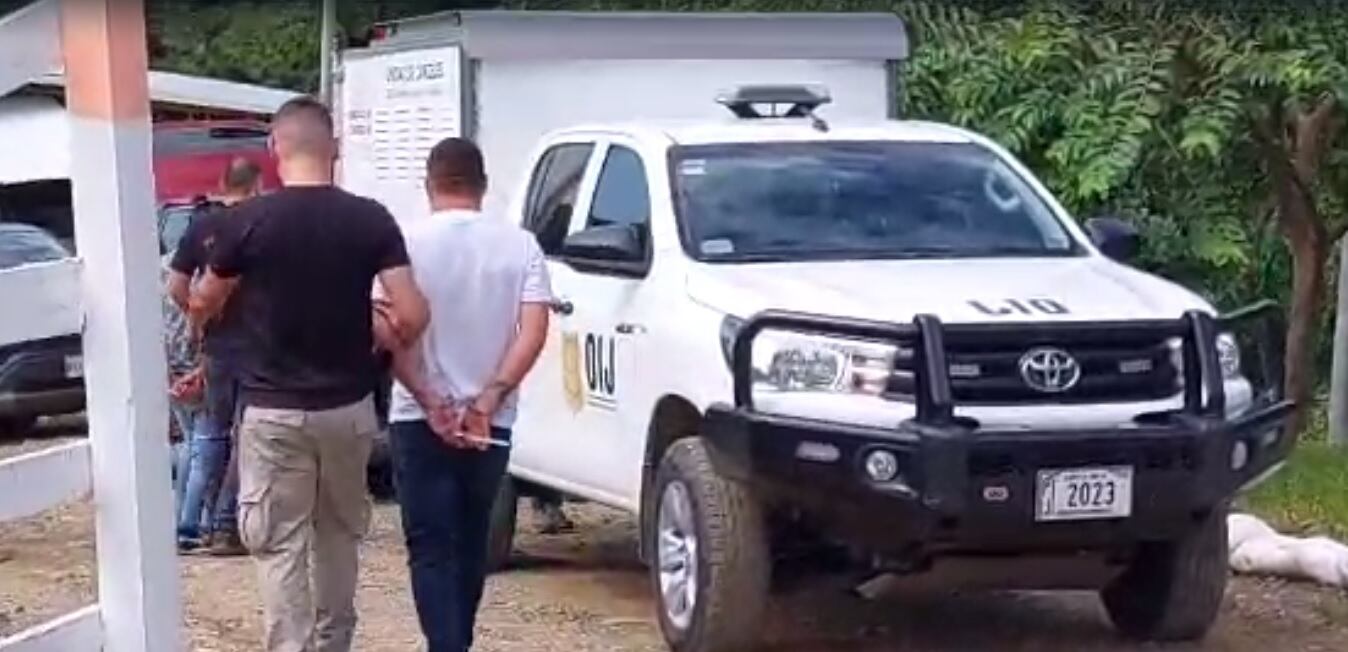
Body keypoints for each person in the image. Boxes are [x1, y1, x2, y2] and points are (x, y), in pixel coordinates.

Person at [189, 96, 429, 652]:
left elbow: (203, 300)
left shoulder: (244, 223)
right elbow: (412, 312)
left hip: (271, 411)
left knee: (279, 545)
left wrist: (209, 305)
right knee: (339, 537)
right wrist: (381, 327)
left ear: (275, 149)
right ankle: (334, 643)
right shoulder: (371, 219)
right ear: (335, 149)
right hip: (348, 410)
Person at [383, 137, 551, 652]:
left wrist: (430, 397)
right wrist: (489, 397)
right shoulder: (521, 245)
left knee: (430, 547)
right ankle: (458, 642)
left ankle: (447, 646)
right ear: (483, 185)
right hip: (490, 422)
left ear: (430, 184)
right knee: (471, 541)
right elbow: (534, 329)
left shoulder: (402, 243)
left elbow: (387, 329)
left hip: (418, 415)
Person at [169, 157, 263, 556]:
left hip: (217, 345)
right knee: (247, 437)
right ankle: (227, 524)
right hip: (258, 343)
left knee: (208, 434)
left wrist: (197, 314)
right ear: (256, 186)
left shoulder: (200, 226)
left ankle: (190, 524)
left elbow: (174, 284)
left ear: (223, 184)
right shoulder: (260, 223)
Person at [162, 246, 206, 550]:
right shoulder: (204, 281)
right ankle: (191, 522)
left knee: (186, 445)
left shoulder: (161, 279)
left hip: (173, 375)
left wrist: (167, 379)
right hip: (197, 375)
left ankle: (178, 518)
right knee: (201, 449)